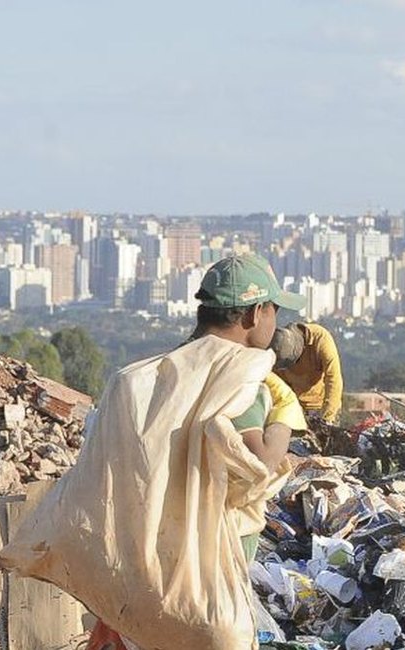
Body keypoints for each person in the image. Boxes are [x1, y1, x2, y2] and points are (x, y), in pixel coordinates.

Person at [83, 252, 307, 650]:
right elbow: (260, 464)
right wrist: (284, 416)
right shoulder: (239, 381)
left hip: (140, 568)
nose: (276, 323)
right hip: (206, 578)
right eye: (274, 310)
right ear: (255, 314)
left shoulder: (147, 377)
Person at [271, 321, 344, 425]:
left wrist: (328, 418)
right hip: (295, 408)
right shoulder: (278, 347)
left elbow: (333, 378)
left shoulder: (320, 339)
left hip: (321, 406)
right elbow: (275, 385)